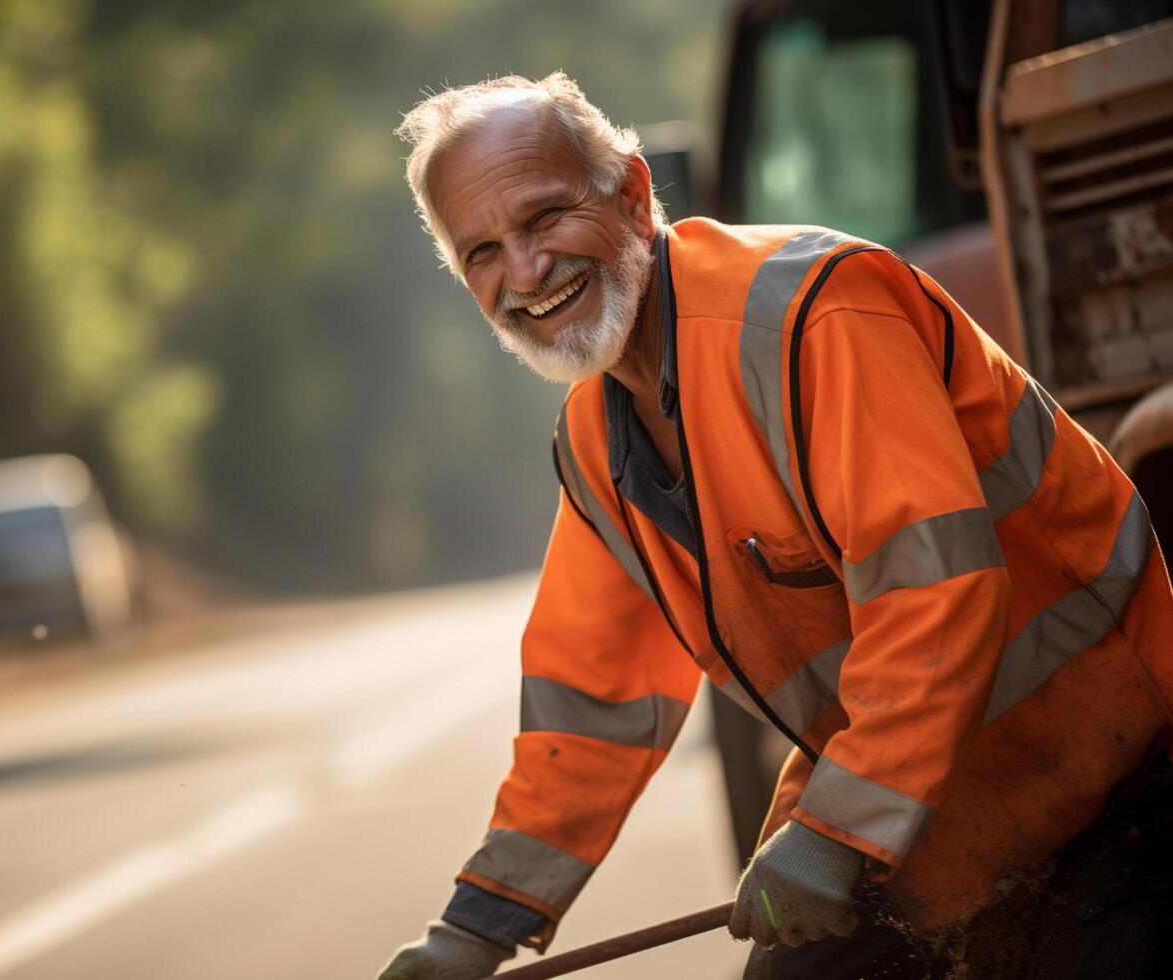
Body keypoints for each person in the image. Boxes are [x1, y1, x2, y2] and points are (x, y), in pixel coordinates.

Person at [377, 72, 1173, 979]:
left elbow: (935, 594)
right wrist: (475, 929)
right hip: (930, 801)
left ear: (635, 196)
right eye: (482, 252)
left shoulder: (811, 315)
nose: (524, 274)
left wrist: (837, 831)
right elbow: (594, 700)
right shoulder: (599, 440)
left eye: (545, 218)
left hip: (1115, 770)